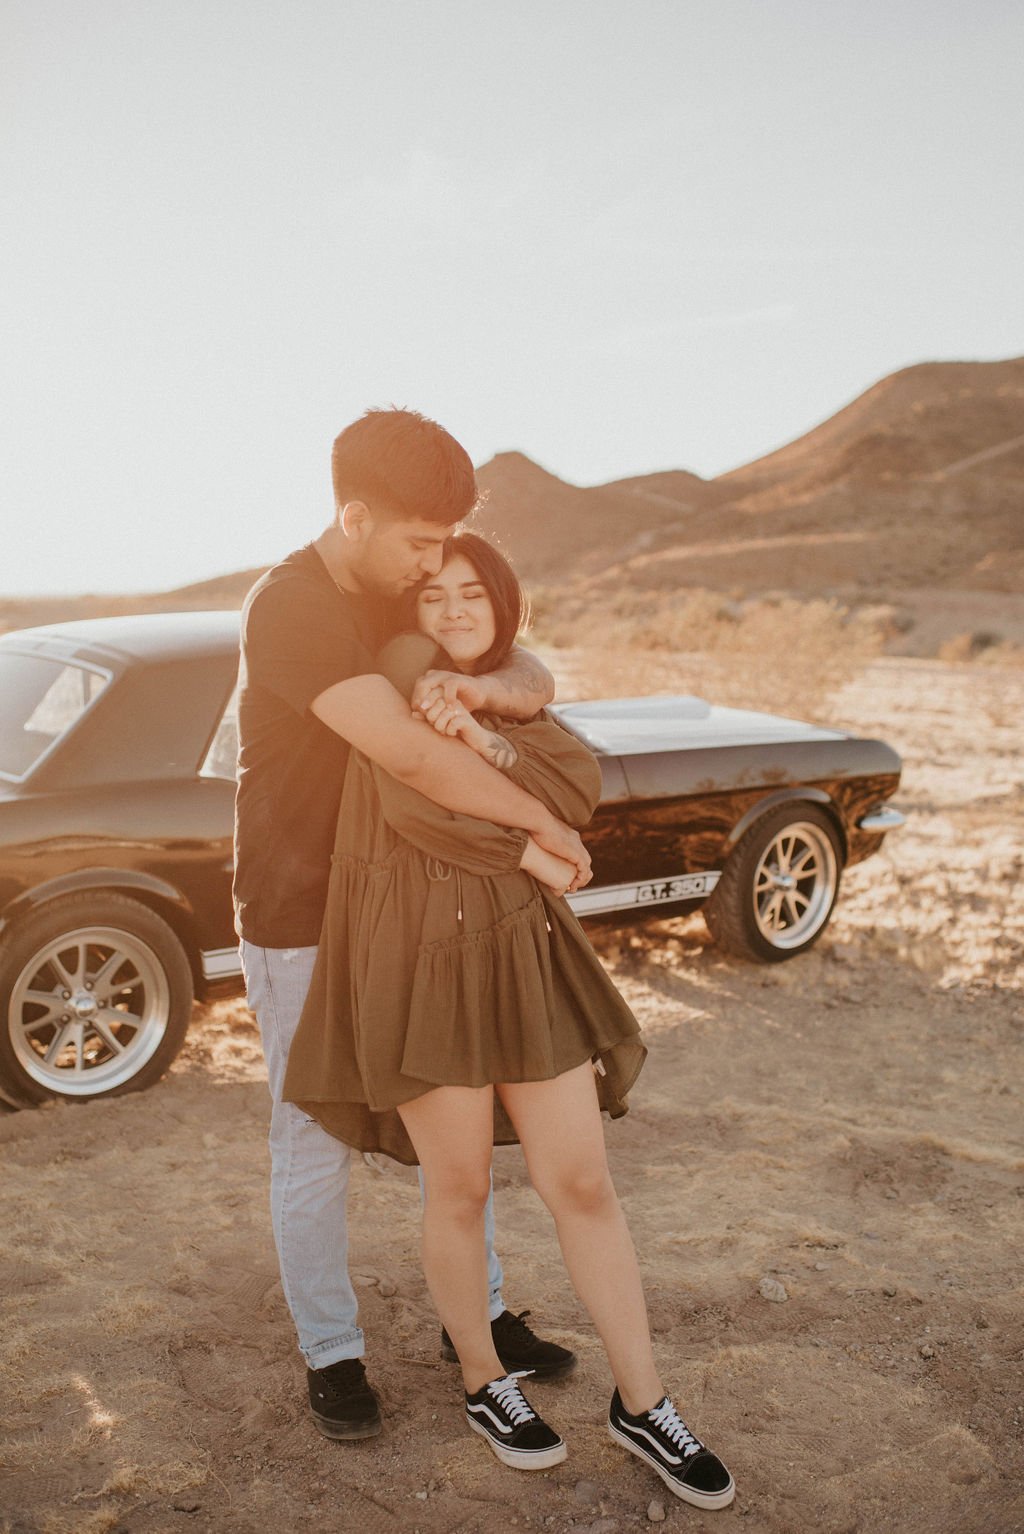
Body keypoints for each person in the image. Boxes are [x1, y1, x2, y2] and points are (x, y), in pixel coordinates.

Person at [284, 533, 736, 1512]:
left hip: (518, 953)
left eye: (472, 594)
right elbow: (412, 801)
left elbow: (575, 783)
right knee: (458, 1186)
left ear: (501, 607)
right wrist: (528, 846)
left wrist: (489, 738)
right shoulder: (393, 679)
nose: (452, 610)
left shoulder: (503, 689)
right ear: (411, 610)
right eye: (434, 593)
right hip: (420, 958)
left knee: (582, 1180)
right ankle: (485, 1380)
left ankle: (644, 1401)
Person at [234, 408, 593, 1444]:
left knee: (458, 1122)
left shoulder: (403, 589)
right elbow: (410, 752)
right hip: (303, 912)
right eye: (421, 542)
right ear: (355, 517)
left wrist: (484, 685)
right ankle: (331, 1352)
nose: (435, 566)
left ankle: (478, 1319)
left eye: (446, 546)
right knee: (315, 1136)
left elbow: (526, 665)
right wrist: (540, 824)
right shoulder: (293, 606)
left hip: (415, 898)